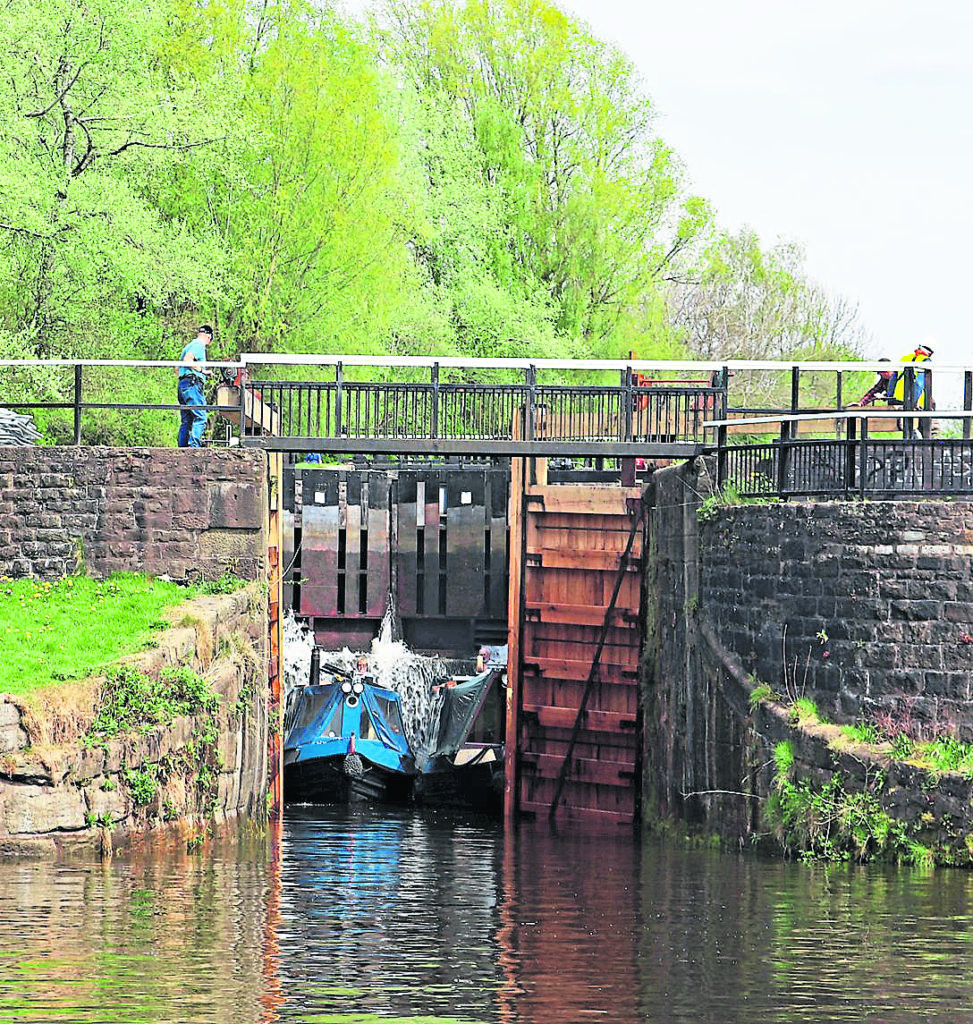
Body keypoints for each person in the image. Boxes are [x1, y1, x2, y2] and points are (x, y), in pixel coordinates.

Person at [177, 325, 213, 448]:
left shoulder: (188, 346)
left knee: (186, 420)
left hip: (183, 385)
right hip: (192, 385)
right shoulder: (199, 345)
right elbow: (188, 360)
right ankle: (194, 447)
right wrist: (203, 371)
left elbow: (177, 368)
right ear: (209, 336)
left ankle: (181, 449)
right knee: (201, 417)